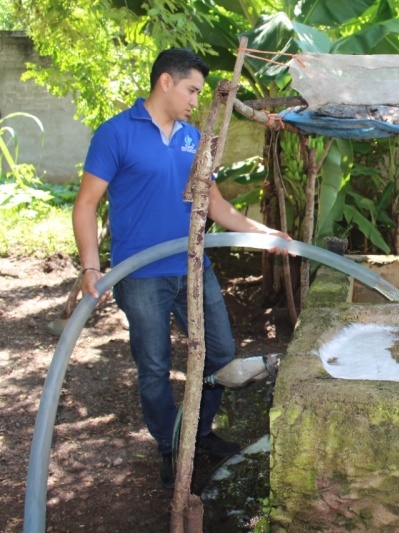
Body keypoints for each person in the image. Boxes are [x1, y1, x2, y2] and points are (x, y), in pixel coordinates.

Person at [72, 48, 290, 489]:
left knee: (219, 353)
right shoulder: (116, 134)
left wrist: (263, 232)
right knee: (153, 367)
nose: (196, 100)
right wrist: (91, 266)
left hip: (194, 266)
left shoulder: (193, 138)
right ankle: (171, 449)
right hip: (141, 276)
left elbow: (216, 205)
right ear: (166, 82)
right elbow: (87, 203)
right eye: (192, 90)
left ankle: (200, 435)